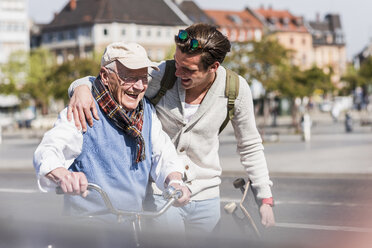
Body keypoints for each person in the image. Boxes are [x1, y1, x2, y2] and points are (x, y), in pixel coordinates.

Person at [66, 23, 275, 233]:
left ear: (214, 67)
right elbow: (111, 79)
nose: (178, 72)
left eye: (188, 70)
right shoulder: (163, 75)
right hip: (160, 191)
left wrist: (264, 197)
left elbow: (250, 146)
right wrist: (81, 87)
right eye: (177, 62)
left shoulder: (235, 90)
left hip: (207, 193)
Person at [33, 42, 190, 221]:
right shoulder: (84, 108)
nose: (139, 86)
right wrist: (64, 175)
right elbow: (48, 150)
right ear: (106, 77)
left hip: (132, 222)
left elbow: (163, 154)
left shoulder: (145, 110)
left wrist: (175, 182)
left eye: (144, 77)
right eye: (130, 77)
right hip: (87, 225)